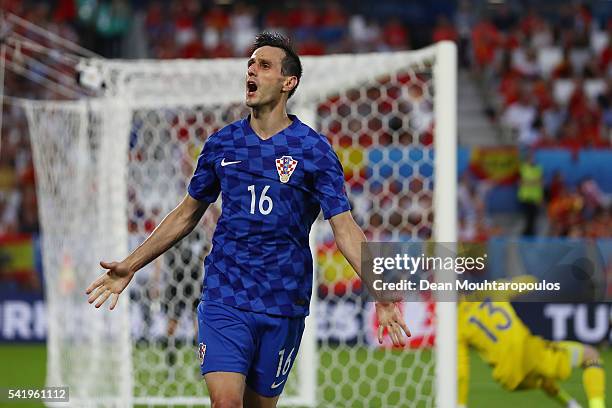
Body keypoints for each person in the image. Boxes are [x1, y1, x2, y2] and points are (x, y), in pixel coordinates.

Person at [85, 32, 410, 408]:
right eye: (251, 64)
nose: (252, 71)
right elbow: (187, 214)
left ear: (289, 83)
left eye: (264, 65)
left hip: (283, 302)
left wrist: (381, 291)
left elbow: (345, 228)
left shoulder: (314, 151)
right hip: (226, 296)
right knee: (225, 404)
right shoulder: (222, 144)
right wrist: (130, 265)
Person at [458, 278, 606, 408]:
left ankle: (571, 405)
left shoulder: (455, 325)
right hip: (530, 355)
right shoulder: (490, 291)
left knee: (544, 380)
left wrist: (460, 404)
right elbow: (529, 281)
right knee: (590, 355)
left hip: (509, 377)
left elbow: (460, 370)